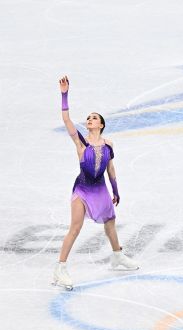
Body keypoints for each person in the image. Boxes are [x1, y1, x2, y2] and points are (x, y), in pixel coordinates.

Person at [53, 75, 139, 290]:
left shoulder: (109, 144)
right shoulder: (81, 142)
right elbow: (66, 120)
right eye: (88, 118)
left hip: (101, 188)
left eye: (94, 118)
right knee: (76, 227)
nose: (89, 120)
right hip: (82, 189)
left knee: (110, 221)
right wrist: (64, 95)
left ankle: (117, 256)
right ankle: (60, 268)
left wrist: (116, 190)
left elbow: (110, 168)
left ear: (101, 124)